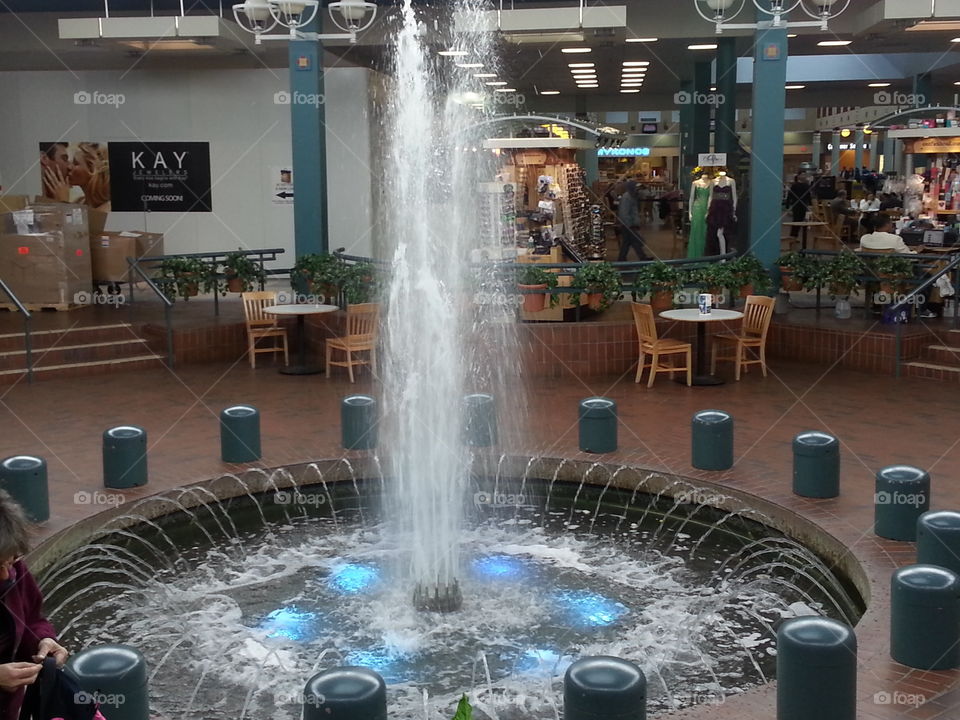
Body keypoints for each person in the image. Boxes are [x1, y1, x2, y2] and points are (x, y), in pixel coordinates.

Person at [0, 491, 68, 720]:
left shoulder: (13, 569)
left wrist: (44, 641)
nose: (5, 574)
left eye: (11, 560)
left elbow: (31, 618)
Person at [616, 181, 648, 261]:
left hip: (630, 224)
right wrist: (629, 224)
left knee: (628, 242)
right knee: (635, 241)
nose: (638, 190)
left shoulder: (632, 196)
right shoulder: (627, 198)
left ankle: (623, 258)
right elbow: (624, 213)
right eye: (637, 188)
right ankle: (642, 257)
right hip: (628, 224)